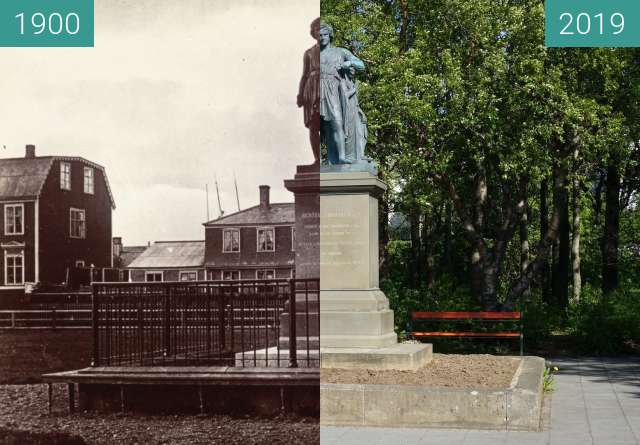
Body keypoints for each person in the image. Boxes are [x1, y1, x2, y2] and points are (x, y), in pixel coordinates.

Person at [319, 22, 368, 165]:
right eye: (320, 35)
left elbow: (361, 65)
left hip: (333, 90)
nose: (322, 38)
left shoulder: (341, 52)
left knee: (336, 122)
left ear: (330, 36)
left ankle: (341, 157)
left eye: (325, 35)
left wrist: (350, 64)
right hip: (316, 89)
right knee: (319, 126)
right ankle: (324, 158)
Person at [297, 18, 321, 165]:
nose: (320, 32)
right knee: (313, 126)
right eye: (317, 29)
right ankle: (317, 159)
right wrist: (300, 94)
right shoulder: (308, 53)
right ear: (313, 32)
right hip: (311, 90)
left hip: (327, 87)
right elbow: (304, 75)